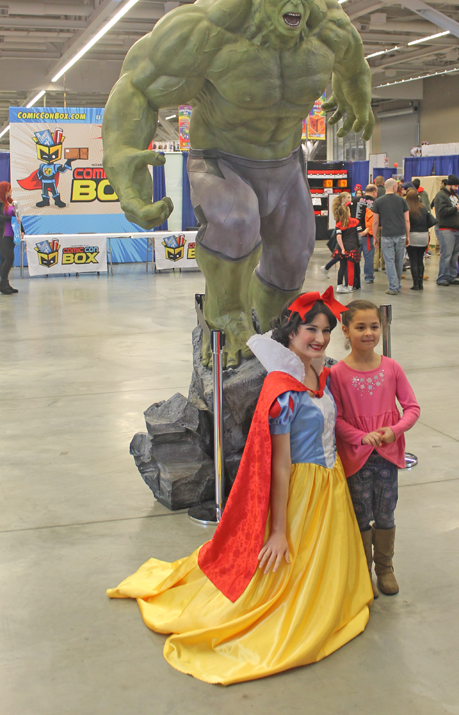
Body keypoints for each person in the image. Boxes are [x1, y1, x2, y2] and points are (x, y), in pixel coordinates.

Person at [102, 0, 374, 368]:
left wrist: (356, 96)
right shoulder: (212, 25)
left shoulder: (329, 27)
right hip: (220, 157)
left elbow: (355, 66)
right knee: (235, 220)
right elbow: (137, 85)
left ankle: (273, 332)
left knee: (294, 255)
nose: (296, 8)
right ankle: (226, 317)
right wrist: (121, 156)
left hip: (284, 162)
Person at [107, 290, 373, 685]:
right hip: (301, 495)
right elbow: (279, 465)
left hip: (330, 490)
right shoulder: (281, 389)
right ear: (290, 331)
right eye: (310, 330)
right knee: (288, 584)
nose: (319, 338)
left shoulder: (319, 372)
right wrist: (280, 531)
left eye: (325, 330)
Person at [329, 300, 420, 597]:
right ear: (345, 330)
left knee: (385, 512)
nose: (368, 333)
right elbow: (337, 419)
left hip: (387, 457)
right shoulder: (337, 375)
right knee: (360, 513)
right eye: (360, 327)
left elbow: (411, 408)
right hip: (356, 458)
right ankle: (362, 570)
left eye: (374, 326)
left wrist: (393, 431)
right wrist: (359, 436)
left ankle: (385, 568)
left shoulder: (392, 368)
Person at [371, 178, 410, 295]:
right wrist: (408, 235)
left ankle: (393, 286)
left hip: (387, 235)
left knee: (389, 261)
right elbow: (407, 220)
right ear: (394, 187)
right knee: (399, 260)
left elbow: (375, 222)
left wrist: (374, 236)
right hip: (401, 234)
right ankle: (396, 284)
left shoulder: (378, 202)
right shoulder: (402, 201)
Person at [433, 175, 459, 287]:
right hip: (446, 229)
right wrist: (456, 208)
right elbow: (441, 212)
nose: (457, 188)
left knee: (455, 255)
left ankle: (452, 276)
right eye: (455, 186)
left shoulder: (455, 195)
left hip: (456, 229)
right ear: (449, 185)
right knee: (446, 254)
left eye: (457, 186)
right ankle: (442, 277)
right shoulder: (441, 196)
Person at [406, 188, 437, 290]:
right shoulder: (423, 208)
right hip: (423, 236)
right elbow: (431, 221)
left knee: (413, 260)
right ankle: (421, 283)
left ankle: (415, 283)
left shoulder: (407, 209)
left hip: (412, 236)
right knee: (420, 260)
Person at [332, 193, 362, 294]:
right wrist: (367, 230)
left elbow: (339, 237)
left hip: (342, 249)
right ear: (348, 213)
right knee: (351, 268)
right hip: (352, 247)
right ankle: (350, 286)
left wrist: (342, 248)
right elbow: (360, 233)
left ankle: (339, 285)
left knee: (342, 267)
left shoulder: (339, 225)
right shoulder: (355, 222)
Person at [356, 183, 377, 283]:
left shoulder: (355, 200)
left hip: (355, 233)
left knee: (355, 256)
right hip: (368, 233)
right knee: (368, 256)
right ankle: (369, 277)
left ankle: (355, 277)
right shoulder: (375, 202)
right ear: (374, 192)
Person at [0, 181, 18, 296]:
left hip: (12, 234)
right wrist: (10, 219)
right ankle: (4, 284)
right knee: (9, 258)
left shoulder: (11, 203)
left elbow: (17, 218)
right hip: (3, 235)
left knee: (5, 260)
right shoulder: (0, 203)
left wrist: (21, 230)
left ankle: (5, 284)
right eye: (9, 188)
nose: (11, 191)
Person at [372, 175, 386, 272]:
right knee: (384, 246)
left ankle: (375, 265)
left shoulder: (374, 193)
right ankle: (384, 265)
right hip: (385, 224)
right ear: (383, 183)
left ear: (375, 183)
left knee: (376, 245)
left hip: (376, 223)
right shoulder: (387, 192)